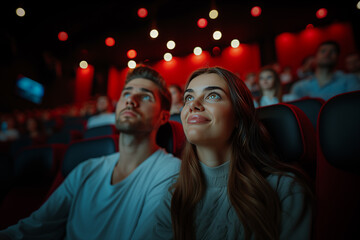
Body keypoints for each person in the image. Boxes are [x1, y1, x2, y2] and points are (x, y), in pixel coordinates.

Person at [0, 65, 181, 239]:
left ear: (164, 116)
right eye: (126, 93)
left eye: (146, 97)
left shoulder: (172, 173)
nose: (130, 101)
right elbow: (30, 230)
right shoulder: (86, 169)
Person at [152, 67, 313, 240]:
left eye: (212, 95)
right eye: (189, 97)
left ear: (238, 115)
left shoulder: (284, 189)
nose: (193, 105)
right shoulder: (174, 195)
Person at [290, 40, 360, 101]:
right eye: (323, 51)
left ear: (338, 57)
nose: (327, 54)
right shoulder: (300, 87)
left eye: (333, 51)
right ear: (315, 57)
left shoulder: (349, 80)